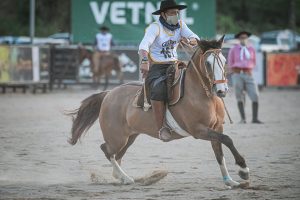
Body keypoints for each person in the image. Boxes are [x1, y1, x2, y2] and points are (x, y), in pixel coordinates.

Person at [138, 0, 200, 141]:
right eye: (172, 13)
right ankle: (161, 128)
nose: (176, 15)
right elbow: (143, 46)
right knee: (158, 89)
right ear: (164, 14)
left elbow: (195, 37)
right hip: (158, 66)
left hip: (175, 64)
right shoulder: (155, 27)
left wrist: (191, 41)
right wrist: (144, 60)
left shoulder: (181, 25)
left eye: (177, 12)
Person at [227, 31, 263, 124]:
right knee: (239, 96)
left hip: (248, 73)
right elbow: (230, 62)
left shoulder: (251, 49)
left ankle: (255, 118)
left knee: (255, 95)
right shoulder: (233, 49)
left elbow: (254, 61)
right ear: (239, 39)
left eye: (246, 37)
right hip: (237, 74)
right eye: (242, 37)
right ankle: (243, 119)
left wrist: (249, 69)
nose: (244, 39)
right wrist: (233, 72)